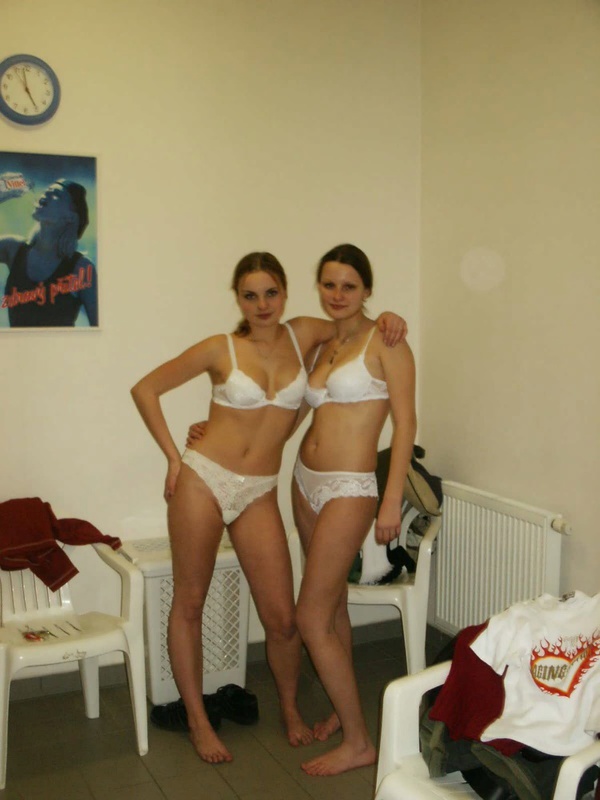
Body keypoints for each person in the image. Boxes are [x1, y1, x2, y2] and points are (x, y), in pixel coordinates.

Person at [130, 251, 406, 765]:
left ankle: (290, 709)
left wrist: (390, 317)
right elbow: (146, 389)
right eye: (250, 295)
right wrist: (173, 457)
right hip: (204, 480)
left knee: (282, 620)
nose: (262, 304)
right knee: (190, 602)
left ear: (285, 292)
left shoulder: (305, 333)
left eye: (271, 293)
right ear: (238, 298)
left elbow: (354, 322)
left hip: (260, 489)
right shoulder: (221, 347)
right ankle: (198, 720)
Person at [292, 243, 416, 776]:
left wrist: (390, 500)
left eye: (349, 286)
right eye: (329, 284)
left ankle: (361, 743)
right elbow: (289, 412)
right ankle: (344, 716)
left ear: (367, 289)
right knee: (333, 606)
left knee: (309, 616)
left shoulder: (387, 339)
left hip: (351, 486)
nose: (337, 294)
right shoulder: (322, 343)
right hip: (304, 481)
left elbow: (406, 425)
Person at [0, 179, 97, 327]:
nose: (46, 192)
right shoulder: (12, 249)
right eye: (47, 190)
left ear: (70, 217)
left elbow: (100, 328)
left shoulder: (81, 268)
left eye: (56, 193)